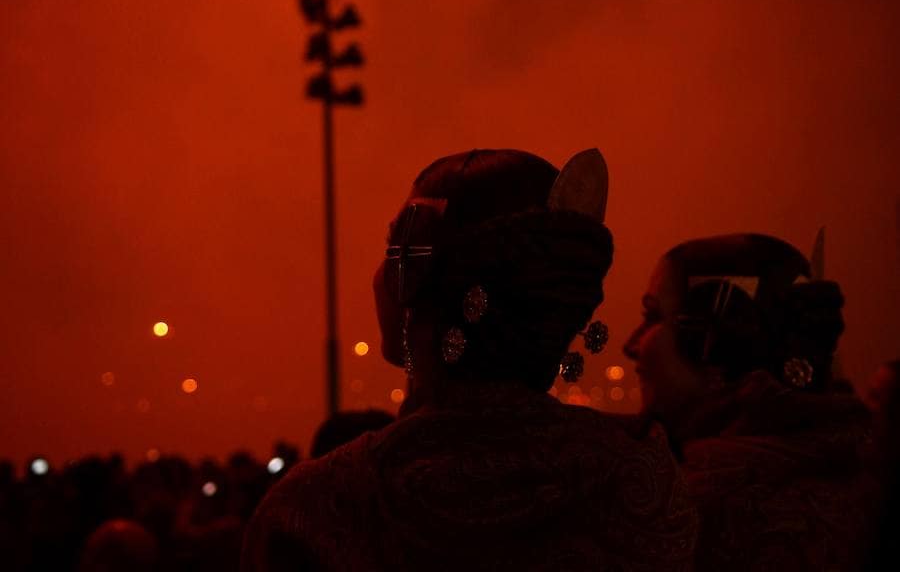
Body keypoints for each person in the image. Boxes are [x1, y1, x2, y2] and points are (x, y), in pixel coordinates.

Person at [243, 149, 697, 571]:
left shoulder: (316, 509)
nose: (380, 276)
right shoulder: (646, 478)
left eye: (395, 251)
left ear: (414, 281)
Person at [624, 233, 877, 570]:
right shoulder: (857, 479)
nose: (631, 344)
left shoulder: (692, 523)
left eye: (652, 316)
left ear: (709, 345)